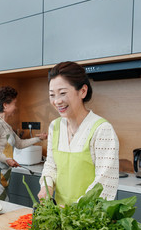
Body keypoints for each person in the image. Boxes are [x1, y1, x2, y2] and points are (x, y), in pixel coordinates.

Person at [38, 61, 119, 205]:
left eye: (63, 93)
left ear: (83, 91)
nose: (57, 101)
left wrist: (74, 213)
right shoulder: (54, 127)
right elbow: (51, 166)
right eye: (52, 95)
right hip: (61, 217)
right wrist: (47, 186)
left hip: (89, 219)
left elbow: (104, 183)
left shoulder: (101, 129)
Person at [0, 86, 47, 201]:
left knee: (2, 207)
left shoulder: (6, 125)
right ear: (5, 105)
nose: (16, 107)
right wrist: (7, 159)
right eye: (14, 103)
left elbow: (19, 144)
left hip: (2, 174)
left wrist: (39, 139)